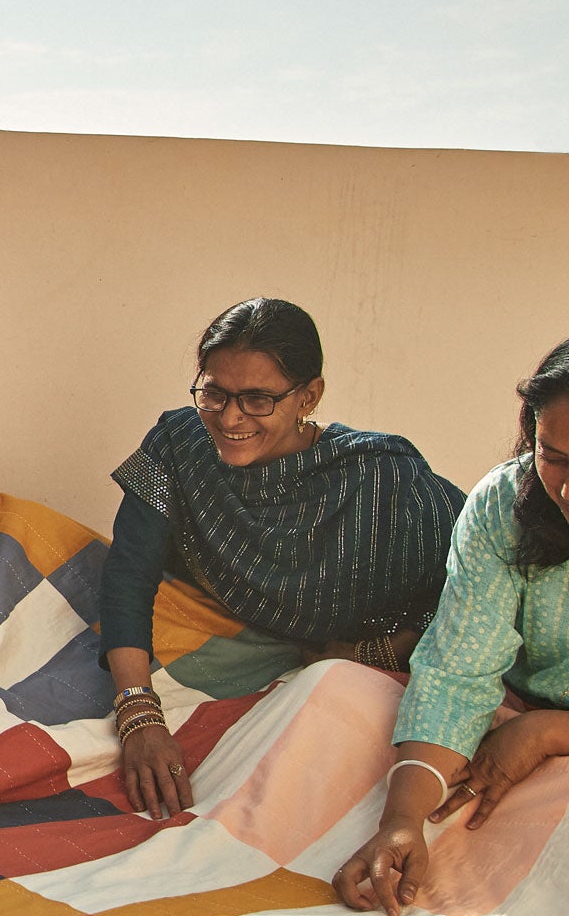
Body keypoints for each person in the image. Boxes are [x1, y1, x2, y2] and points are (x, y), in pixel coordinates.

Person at [100, 298, 465, 819]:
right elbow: (127, 577)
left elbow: (476, 577)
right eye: (214, 393)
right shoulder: (178, 443)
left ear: (309, 397)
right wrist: (138, 712)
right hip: (221, 638)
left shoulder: (380, 478)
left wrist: (384, 651)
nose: (229, 418)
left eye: (257, 400)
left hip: (357, 664)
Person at [336, 321, 569, 916]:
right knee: (330, 694)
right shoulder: (502, 504)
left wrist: (555, 734)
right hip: (495, 729)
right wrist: (403, 822)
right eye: (553, 457)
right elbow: (457, 673)